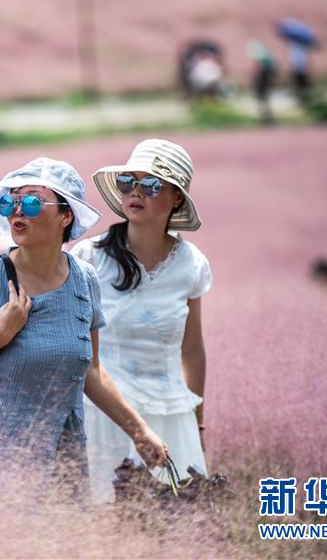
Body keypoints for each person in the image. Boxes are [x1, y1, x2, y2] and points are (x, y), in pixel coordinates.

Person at [0, 157, 169, 501]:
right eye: (10, 202)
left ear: (66, 216)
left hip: (66, 462)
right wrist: (1, 335)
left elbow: (91, 370)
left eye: (31, 202)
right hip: (0, 463)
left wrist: (139, 432)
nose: (17, 212)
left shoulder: (84, 278)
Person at [71, 139, 211, 504]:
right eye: (127, 182)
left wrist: (197, 422)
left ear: (176, 198)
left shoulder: (191, 265)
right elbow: (81, 352)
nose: (136, 192)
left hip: (172, 414)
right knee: (110, 520)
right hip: (106, 414)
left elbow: (192, 350)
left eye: (150, 185)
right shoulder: (89, 257)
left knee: (181, 519)